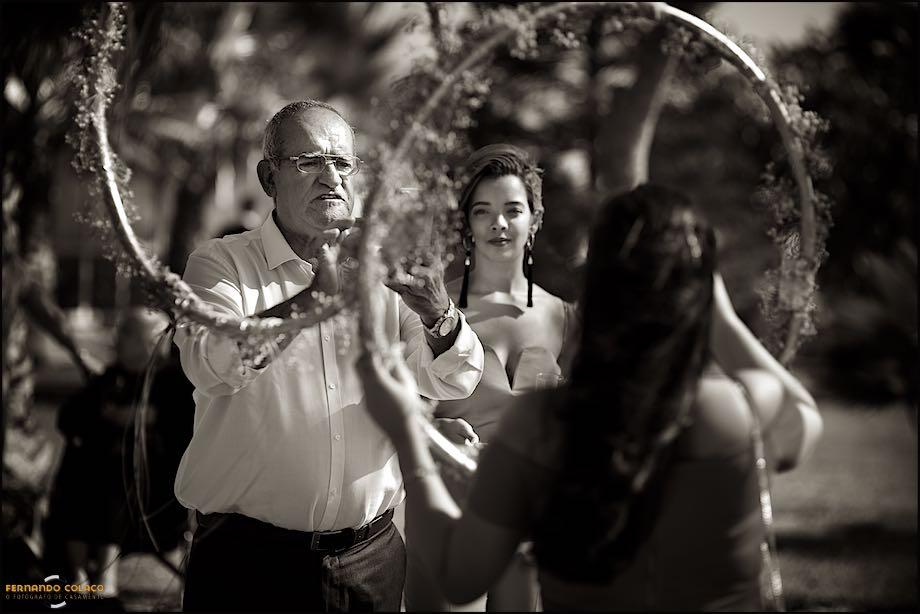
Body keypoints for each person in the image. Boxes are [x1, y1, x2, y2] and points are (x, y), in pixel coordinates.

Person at [358, 184, 824, 611]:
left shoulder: (541, 425)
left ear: (597, 285)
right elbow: (801, 414)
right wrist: (714, 308)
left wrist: (408, 433)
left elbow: (460, 577)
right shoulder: (733, 413)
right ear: (699, 290)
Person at [173, 99, 484, 612]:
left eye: (342, 162)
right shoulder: (220, 264)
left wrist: (438, 311)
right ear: (268, 178)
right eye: (309, 161)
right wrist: (313, 298)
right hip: (246, 562)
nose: (331, 177)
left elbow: (452, 379)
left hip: (370, 560)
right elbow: (209, 366)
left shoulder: (387, 271)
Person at [405, 144, 578, 612]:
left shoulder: (566, 317)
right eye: (482, 211)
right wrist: (434, 431)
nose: (498, 223)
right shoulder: (427, 307)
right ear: (466, 224)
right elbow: (393, 405)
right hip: (448, 502)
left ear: (534, 220)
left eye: (512, 210)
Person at [46, 308, 174, 606]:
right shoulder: (111, 377)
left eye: (126, 332)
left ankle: (105, 575)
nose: (116, 338)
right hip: (99, 484)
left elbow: (176, 433)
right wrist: (110, 416)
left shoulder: (170, 380)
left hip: (157, 494)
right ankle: (79, 574)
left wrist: (137, 421)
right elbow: (68, 419)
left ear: (151, 340)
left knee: (113, 459)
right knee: (80, 458)